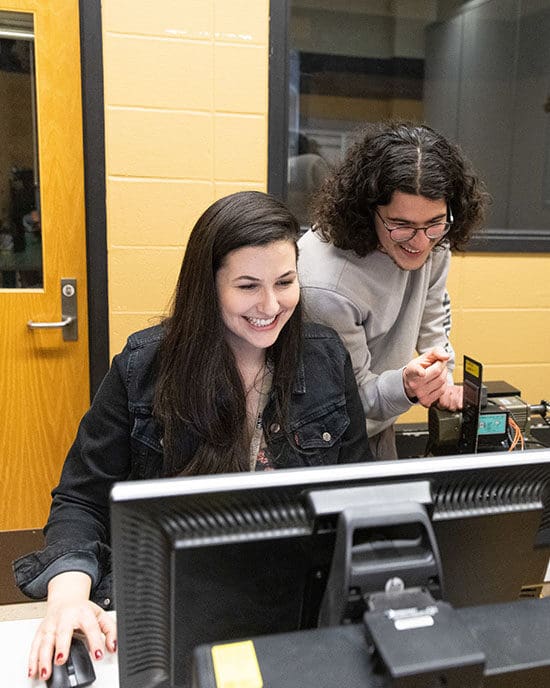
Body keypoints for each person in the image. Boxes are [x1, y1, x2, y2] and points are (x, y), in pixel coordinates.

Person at [13, 190, 372, 681]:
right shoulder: (143, 368)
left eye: (285, 282)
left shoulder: (326, 358)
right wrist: (68, 597)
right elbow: (82, 499)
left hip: (297, 607)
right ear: (209, 287)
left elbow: (362, 494)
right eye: (248, 286)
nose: (271, 304)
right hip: (172, 604)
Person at [298, 121, 489, 459]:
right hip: (320, 436)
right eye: (402, 225)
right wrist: (407, 385)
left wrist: (440, 376)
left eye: (435, 223)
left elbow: (432, 316)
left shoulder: (434, 241)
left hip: (379, 423)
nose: (421, 243)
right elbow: (352, 394)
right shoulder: (327, 286)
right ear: (367, 208)